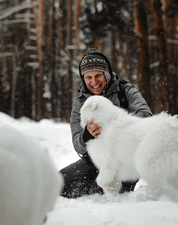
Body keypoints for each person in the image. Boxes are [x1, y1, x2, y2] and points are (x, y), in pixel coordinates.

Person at [60, 48, 152, 198]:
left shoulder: (125, 91)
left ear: (107, 74)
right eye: (88, 77)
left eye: (98, 75)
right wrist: (86, 136)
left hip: (126, 160)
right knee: (58, 184)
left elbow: (146, 116)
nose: (94, 82)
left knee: (115, 189)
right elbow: (78, 144)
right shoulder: (81, 103)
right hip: (95, 162)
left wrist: (117, 126)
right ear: (83, 78)